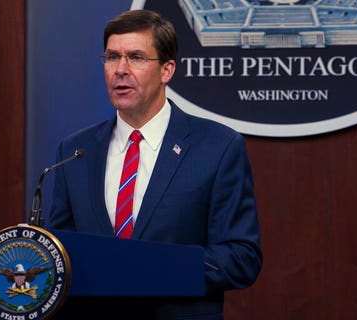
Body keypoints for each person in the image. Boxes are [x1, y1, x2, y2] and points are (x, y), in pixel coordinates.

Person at [48, 9, 262, 319]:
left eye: (136, 57)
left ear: (167, 70)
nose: (121, 69)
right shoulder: (75, 151)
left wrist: (151, 268)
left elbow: (241, 257)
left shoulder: (217, 146)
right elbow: (60, 251)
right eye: (111, 57)